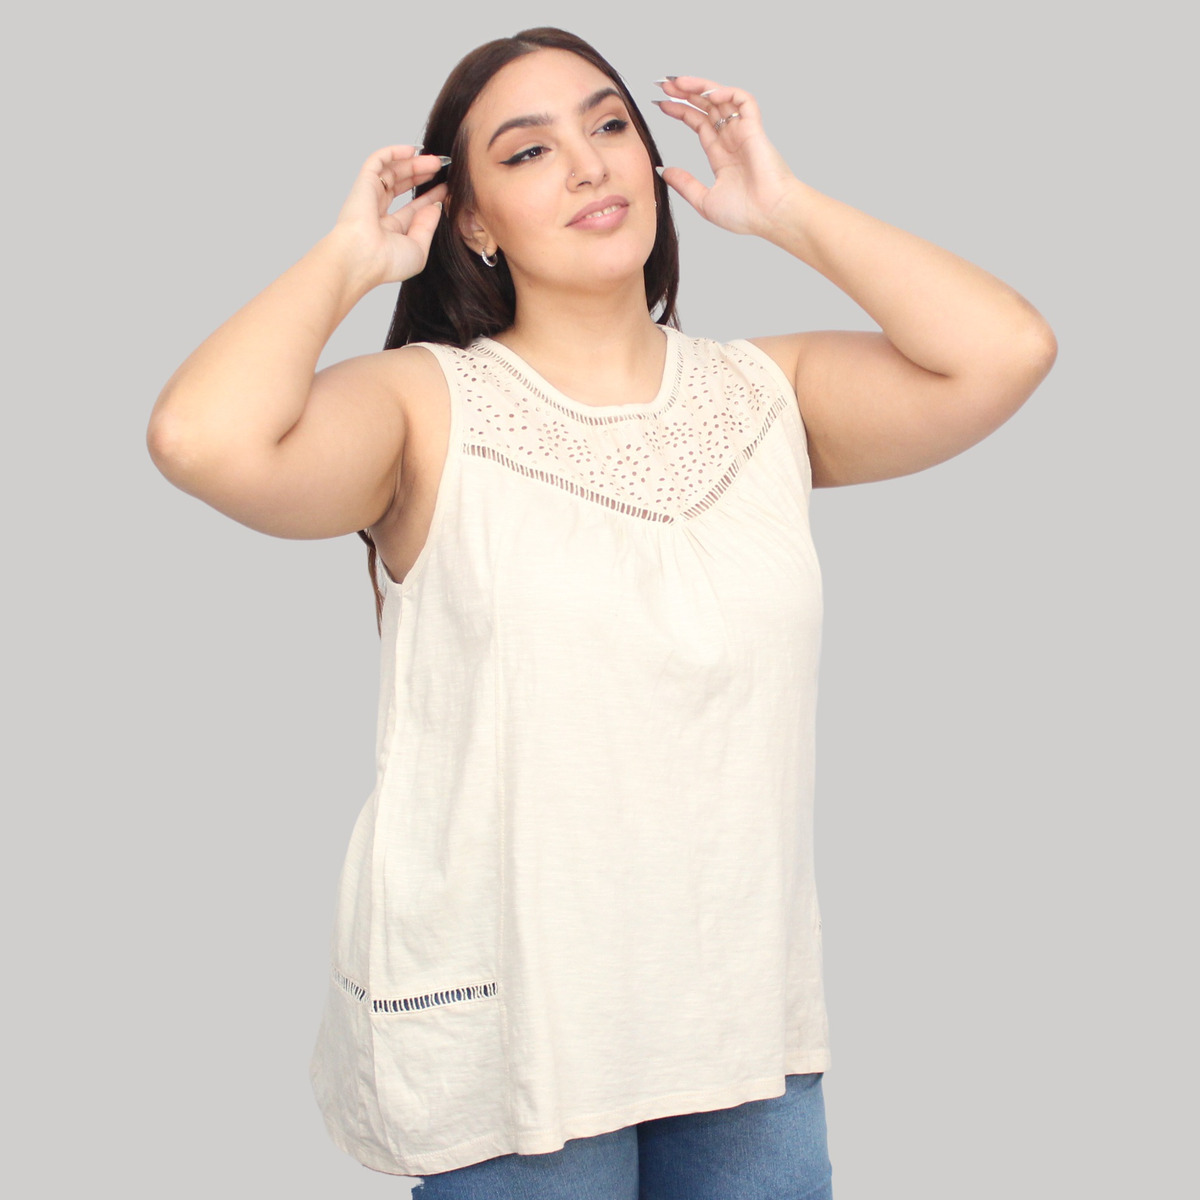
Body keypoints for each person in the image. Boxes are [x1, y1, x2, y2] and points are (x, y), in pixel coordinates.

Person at [146, 26, 1056, 1200]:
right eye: (528, 152)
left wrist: (785, 209)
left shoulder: (766, 393)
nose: (588, 164)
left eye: (610, 125)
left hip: (742, 1036)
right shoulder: (424, 407)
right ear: (472, 221)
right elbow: (202, 439)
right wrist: (347, 259)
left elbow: (1007, 349)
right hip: (520, 1046)